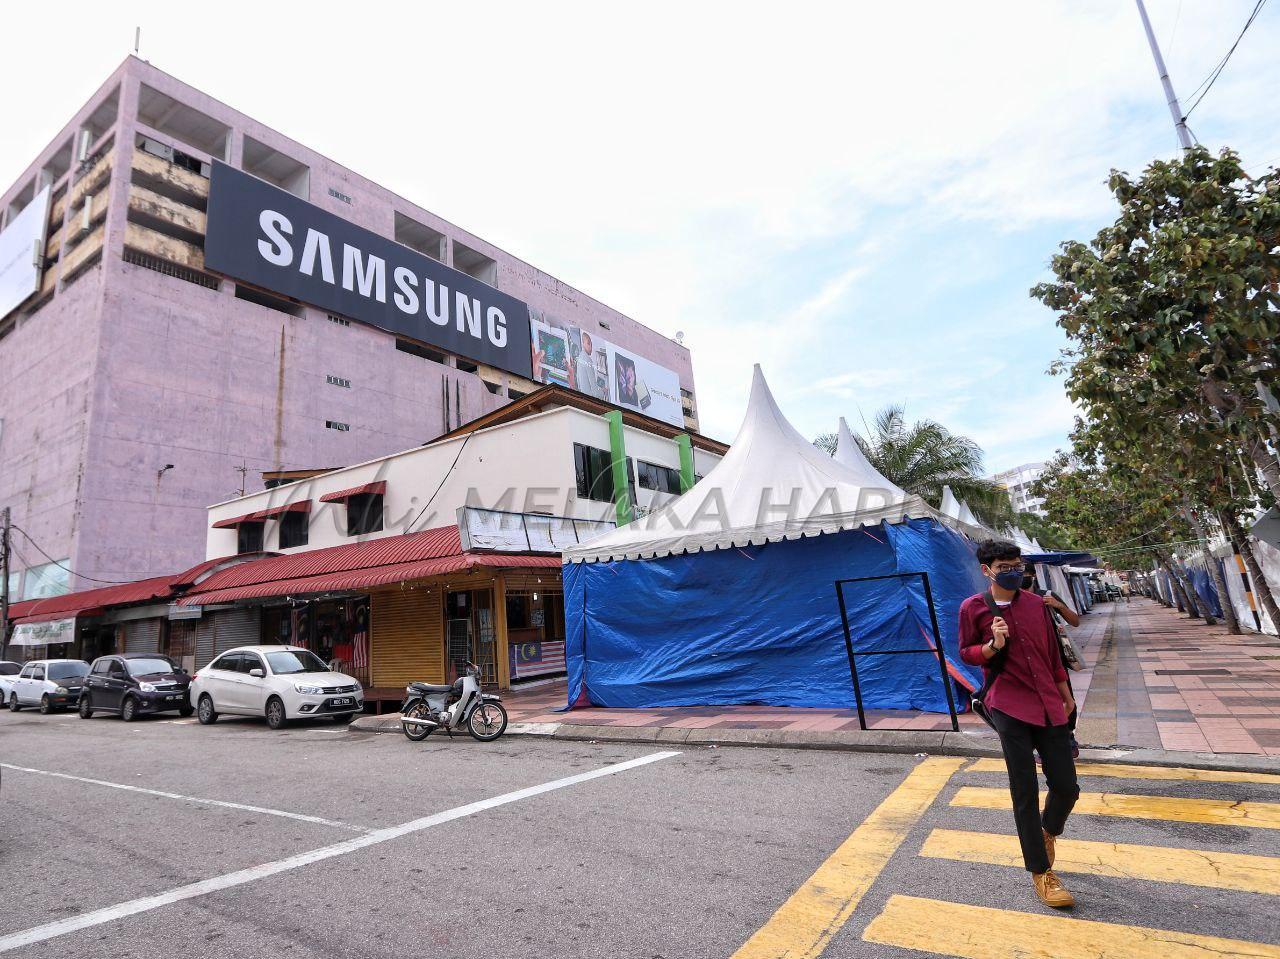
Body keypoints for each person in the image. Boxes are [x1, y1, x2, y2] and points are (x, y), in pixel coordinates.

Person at [960, 539, 1080, 909]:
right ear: (987, 571)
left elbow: (1051, 653)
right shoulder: (973, 608)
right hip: (1009, 706)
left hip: (1048, 702)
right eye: (1005, 566)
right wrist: (993, 645)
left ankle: (1048, 831)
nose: (1014, 572)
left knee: (1067, 785)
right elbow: (966, 652)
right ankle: (1042, 873)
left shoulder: (1034, 604)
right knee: (1024, 789)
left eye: (1017, 565)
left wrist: (1065, 693)